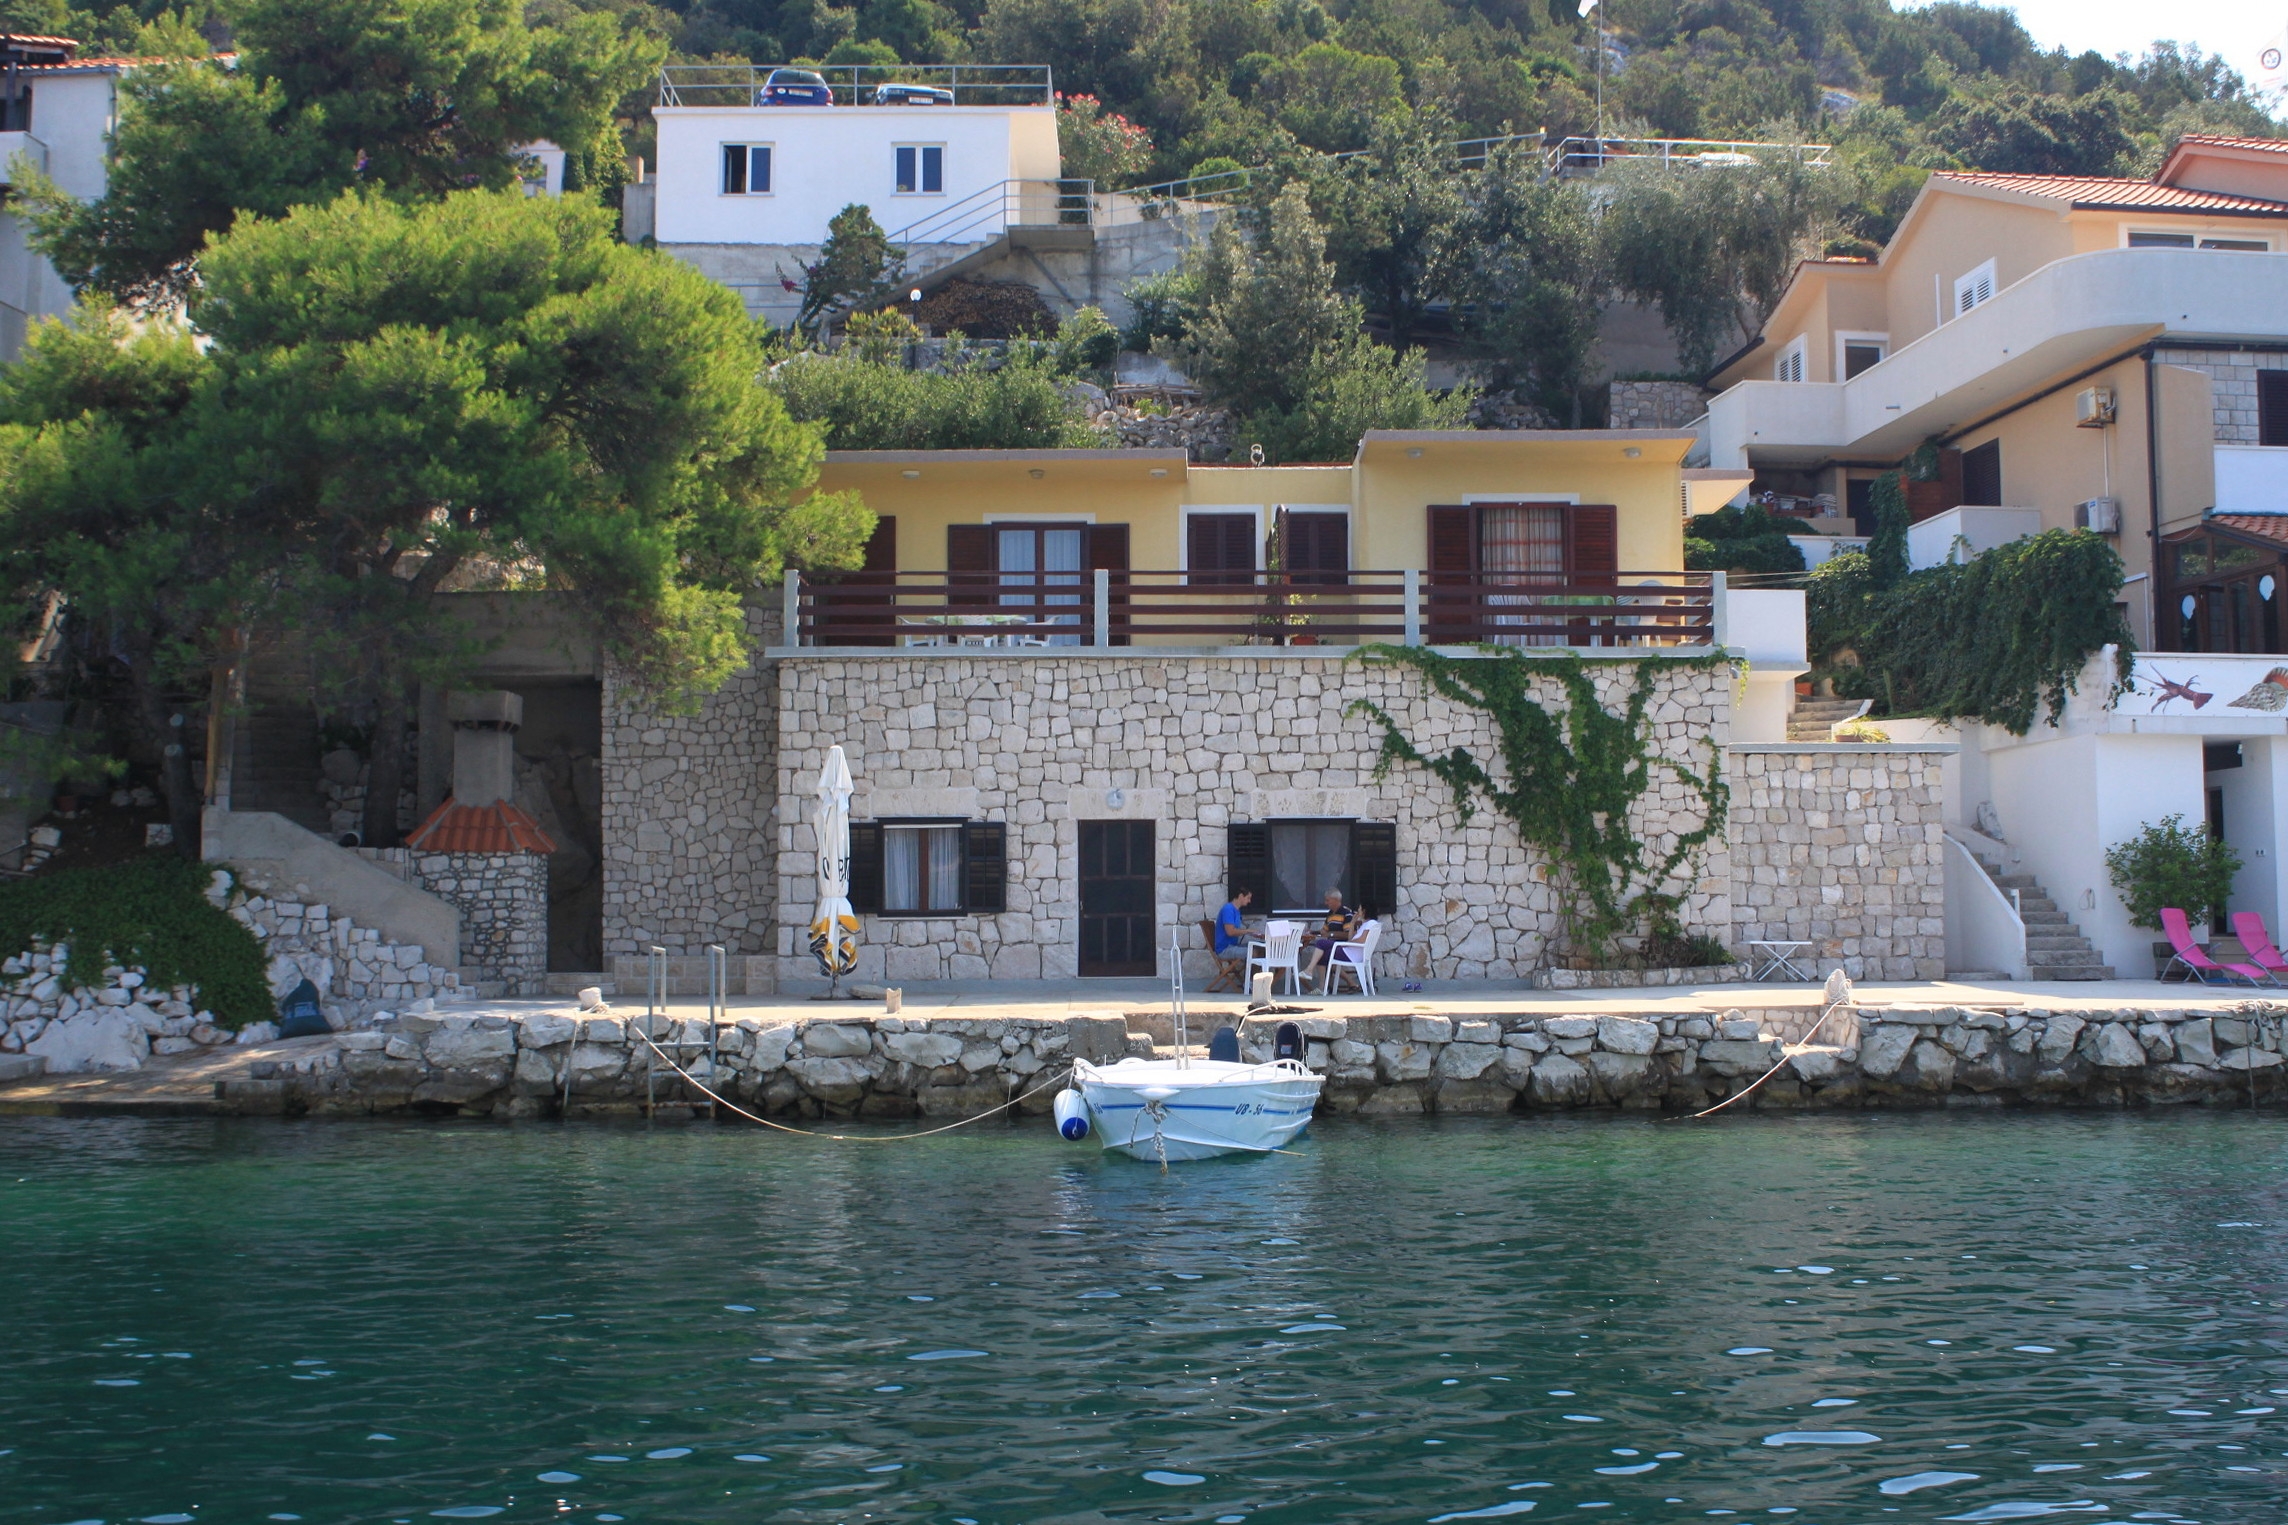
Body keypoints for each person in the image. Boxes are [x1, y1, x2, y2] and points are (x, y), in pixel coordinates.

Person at [1299, 887, 1360, 983]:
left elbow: (1348, 935)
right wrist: (1312, 932)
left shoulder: (1346, 913)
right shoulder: (1330, 914)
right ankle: (1324, 987)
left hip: (1343, 947)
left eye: (1328, 900)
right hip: (1332, 945)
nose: (1325, 903)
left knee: (1321, 945)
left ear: (1336, 900)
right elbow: (1325, 930)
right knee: (1320, 955)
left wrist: (1331, 934)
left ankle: (1309, 970)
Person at [1215, 888, 1253, 958]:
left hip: (1232, 946)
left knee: (1258, 947)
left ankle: (1253, 969)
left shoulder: (1237, 911)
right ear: (1241, 896)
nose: (1249, 901)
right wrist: (1247, 931)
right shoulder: (1228, 909)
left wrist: (1253, 933)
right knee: (1254, 953)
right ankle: (1253, 969)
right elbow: (1230, 932)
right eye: (1248, 898)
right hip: (1225, 949)